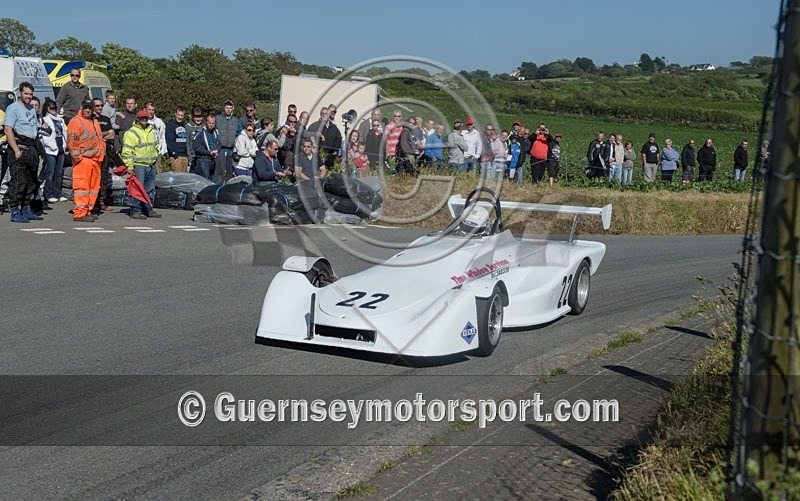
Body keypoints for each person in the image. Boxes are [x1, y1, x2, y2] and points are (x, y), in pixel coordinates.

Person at [4, 82, 42, 222]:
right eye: (26, 94)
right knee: (18, 182)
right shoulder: (13, 108)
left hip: (31, 147)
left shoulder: (31, 108)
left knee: (31, 181)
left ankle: (26, 208)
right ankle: (15, 210)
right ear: (20, 93)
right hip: (19, 147)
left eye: (30, 94)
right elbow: (8, 129)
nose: (28, 96)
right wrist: (16, 149)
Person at [66, 100, 105, 222]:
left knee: (92, 188)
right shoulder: (76, 121)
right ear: (81, 107)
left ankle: (87, 211)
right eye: (86, 108)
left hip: (95, 159)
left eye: (90, 108)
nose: (88, 110)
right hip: (84, 160)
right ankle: (79, 213)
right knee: (82, 188)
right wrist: (78, 158)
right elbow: (72, 142)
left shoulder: (93, 120)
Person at [121, 109, 161, 219]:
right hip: (139, 165)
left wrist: (155, 158)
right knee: (138, 189)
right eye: (142, 118)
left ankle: (147, 208)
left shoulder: (150, 130)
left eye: (146, 118)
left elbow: (154, 146)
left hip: (151, 163)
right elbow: (127, 151)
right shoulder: (131, 133)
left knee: (149, 189)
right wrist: (129, 166)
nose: (144, 120)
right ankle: (135, 210)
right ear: (138, 119)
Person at [91, 97, 116, 212]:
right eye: (97, 106)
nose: (100, 108)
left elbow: (112, 135)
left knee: (104, 178)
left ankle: (102, 202)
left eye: (101, 105)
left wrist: (100, 135)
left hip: (105, 152)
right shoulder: (90, 119)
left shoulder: (105, 119)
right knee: (94, 179)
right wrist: (104, 134)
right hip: (93, 153)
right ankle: (93, 203)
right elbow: (92, 136)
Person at [41, 99, 67, 203]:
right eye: (51, 108)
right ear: (47, 108)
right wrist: (50, 146)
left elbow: (64, 132)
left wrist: (65, 145)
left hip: (61, 148)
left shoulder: (59, 119)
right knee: (50, 173)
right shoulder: (45, 119)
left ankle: (58, 193)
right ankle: (49, 194)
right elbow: (44, 136)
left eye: (55, 108)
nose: (54, 110)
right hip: (51, 150)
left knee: (59, 173)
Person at [216, 99, 241, 181]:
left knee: (230, 173)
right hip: (220, 149)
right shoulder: (218, 119)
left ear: (232, 109)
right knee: (220, 173)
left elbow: (239, 134)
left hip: (231, 150)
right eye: (227, 108)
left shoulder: (236, 120)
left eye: (230, 108)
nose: (228, 110)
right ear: (223, 108)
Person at [192, 113, 220, 181]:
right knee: (205, 181)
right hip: (203, 160)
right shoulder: (199, 132)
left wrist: (217, 150)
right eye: (209, 123)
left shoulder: (216, 131)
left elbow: (219, 143)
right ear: (206, 122)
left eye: (213, 123)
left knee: (214, 181)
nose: (211, 125)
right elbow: (196, 147)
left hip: (213, 159)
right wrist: (208, 152)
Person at [165, 106, 190, 172]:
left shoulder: (184, 126)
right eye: (178, 114)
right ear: (175, 114)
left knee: (184, 178)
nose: (180, 117)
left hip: (184, 156)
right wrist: (174, 155)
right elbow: (169, 142)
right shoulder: (171, 125)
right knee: (177, 178)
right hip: (176, 156)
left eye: (182, 115)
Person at [144, 102, 167, 172]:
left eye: (152, 110)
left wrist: (162, 151)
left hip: (157, 153)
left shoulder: (159, 122)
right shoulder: (141, 121)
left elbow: (163, 136)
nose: (151, 112)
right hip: (144, 154)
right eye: (149, 109)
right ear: (145, 110)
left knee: (159, 174)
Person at [185, 107, 204, 172]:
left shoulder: (204, 126)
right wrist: (190, 158)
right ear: (192, 117)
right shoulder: (188, 127)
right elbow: (187, 143)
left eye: (200, 117)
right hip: (193, 157)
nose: (198, 119)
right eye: (196, 117)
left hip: (203, 157)